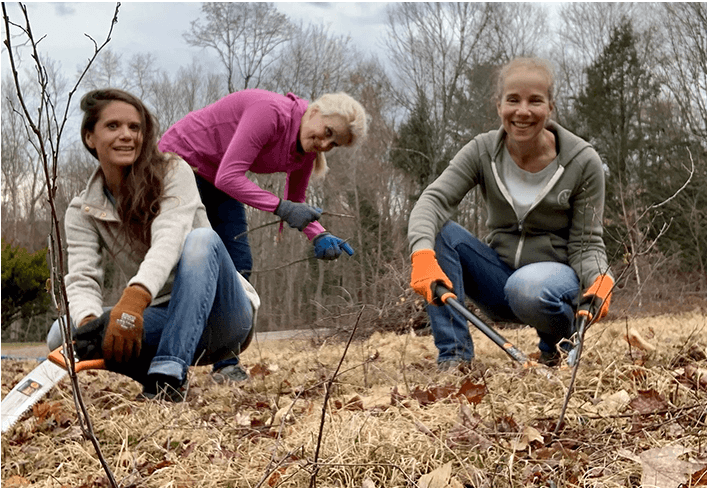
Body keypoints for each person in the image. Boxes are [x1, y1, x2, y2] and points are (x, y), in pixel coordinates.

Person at [46, 88, 259, 401]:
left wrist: (135, 298)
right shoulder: (82, 210)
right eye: (113, 126)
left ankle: (168, 376)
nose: (127, 136)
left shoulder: (174, 172)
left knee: (201, 240)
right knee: (62, 334)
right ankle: (150, 374)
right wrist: (92, 327)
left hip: (224, 317)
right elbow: (82, 279)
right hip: (164, 315)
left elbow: (169, 238)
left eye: (135, 127)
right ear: (90, 137)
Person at [408, 57, 614, 371]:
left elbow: (587, 245)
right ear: (498, 105)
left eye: (535, 101)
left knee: (527, 286)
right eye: (513, 100)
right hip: (499, 280)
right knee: (439, 231)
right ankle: (455, 358)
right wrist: (421, 254)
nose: (522, 111)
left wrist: (599, 278)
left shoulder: (583, 162)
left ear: (550, 107)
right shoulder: (481, 151)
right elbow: (433, 200)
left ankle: (556, 347)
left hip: (554, 286)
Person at [158, 88, 367, 380]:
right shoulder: (270, 113)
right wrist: (281, 208)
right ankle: (167, 361)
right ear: (316, 111)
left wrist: (318, 234)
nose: (325, 143)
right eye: (328, 132)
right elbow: (231, 177)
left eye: (334, 143)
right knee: (196, 261)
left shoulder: (305, 151)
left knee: (239, 264)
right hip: (180, 162)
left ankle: (225, 363)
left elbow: (295, 199)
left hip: (216, 176)